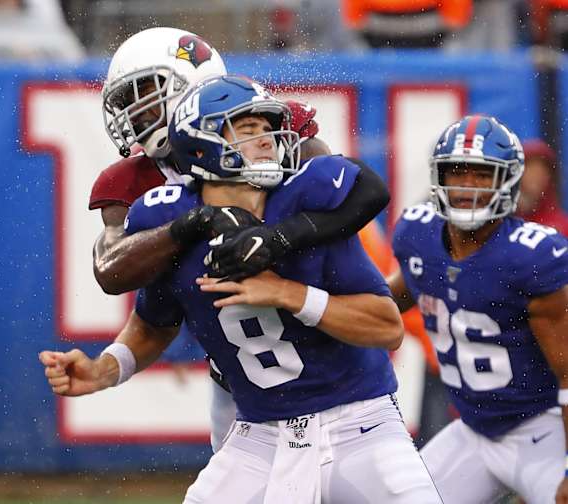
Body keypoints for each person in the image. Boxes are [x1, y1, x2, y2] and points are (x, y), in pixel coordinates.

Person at [42, 75, 442, 503]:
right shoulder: (169, 220)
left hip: (358, 424)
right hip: (259, 436)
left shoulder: (307, 200)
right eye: (247, 129)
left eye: (268, 128)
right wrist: (104, 369)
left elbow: (387, 327)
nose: (267, 140)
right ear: (201, 148)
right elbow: (153, 325)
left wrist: (289, 293)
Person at [89, 27, 390, 451]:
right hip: (242, 370)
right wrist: (194, 223)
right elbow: (112, 270)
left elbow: (352, 196)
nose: (135, 115)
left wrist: (275, 240)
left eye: (145, 94)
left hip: (326, 354)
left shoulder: (270, 129)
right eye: (128, 104)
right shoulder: (132, 183)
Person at [388, 114, 568, 503]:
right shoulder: (418, 236)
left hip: (540, 427)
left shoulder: (532, 257)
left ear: (507, 181)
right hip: (472, 428)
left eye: (482, 175)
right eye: (457, 173)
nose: (467, 187)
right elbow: (393, 299)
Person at [517, 138, 568, 235]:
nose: (536, 177)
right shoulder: (502, 221)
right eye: (531, 170)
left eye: (541, 172)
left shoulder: (562, 226)